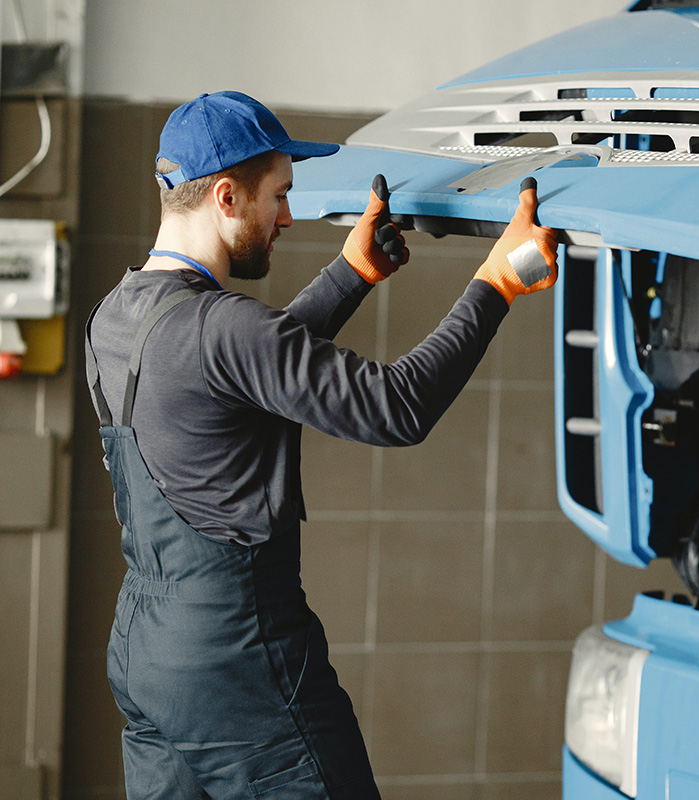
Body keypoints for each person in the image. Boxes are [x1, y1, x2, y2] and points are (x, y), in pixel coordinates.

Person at [85, 90, 558, 800]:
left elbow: (231, 377)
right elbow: (397, 408)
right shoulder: (222, 326)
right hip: (239, 666)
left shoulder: (116, 314)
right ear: (225, 196)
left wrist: (350, 275)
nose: (285, 218)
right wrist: (499, 279)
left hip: (146, 657)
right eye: (277, 197)